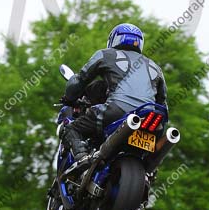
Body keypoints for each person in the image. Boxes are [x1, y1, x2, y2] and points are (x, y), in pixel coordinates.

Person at [61, 23, 168, 162]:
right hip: (151, 119)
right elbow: (162, 102)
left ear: (114, 39)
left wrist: (70, 97)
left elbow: (80, 79)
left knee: (71, 129)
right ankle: (148, 172)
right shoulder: (155, 67)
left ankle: (82, 159)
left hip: (116, 111)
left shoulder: (106, 54)